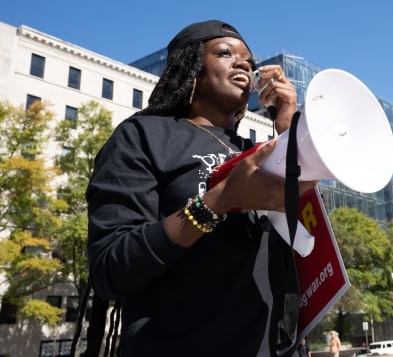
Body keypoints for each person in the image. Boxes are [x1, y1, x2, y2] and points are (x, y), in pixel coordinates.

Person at [85, 19, 316, 357]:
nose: (243, 64)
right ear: (190, 67)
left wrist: (286, 130)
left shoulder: (260, 150)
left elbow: (308, 240)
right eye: (225, 53)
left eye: (249, 62)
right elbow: (109, 270)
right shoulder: (142, 135)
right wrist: (218, 201)